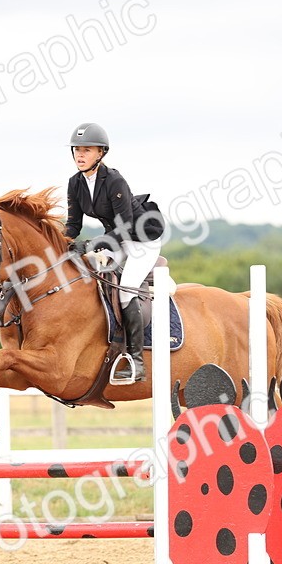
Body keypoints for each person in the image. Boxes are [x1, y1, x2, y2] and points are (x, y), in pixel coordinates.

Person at [64, 122, 164, 382]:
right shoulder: (75, 184)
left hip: (142, 240)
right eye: (77, 150)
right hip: (117, 240)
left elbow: (127, 226)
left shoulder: (114, 180)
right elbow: (73, 225)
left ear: (101, 153)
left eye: (87, 150)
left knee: (125, 291)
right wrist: (58, 244)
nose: (80, 155)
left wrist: (93, 244)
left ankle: (136, 360)